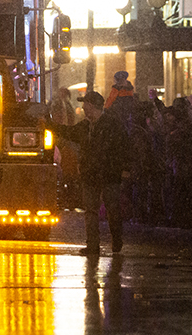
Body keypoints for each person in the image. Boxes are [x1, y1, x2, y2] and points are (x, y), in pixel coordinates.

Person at [44, 90, 130, 255]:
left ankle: (116, 241)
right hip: (91, 175)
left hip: (108, 174)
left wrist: (123, 169)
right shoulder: (86, 126)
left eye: (86, 105)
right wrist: (49, 124)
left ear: (92, 106)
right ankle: (93, 245)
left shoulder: (111, 125)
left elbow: (122, 149)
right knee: (92, 210)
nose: (83, 108)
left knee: (112, 209)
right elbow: (68, 132)